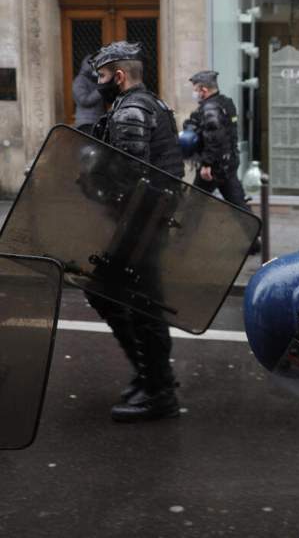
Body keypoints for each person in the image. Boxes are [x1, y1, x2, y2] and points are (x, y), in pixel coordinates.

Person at [88, 41, 182, 422]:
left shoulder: (131, 111)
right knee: (130, 299)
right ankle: (153, 377)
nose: (99, 82)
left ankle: (158, 390)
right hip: (150, 220)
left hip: (141, 223)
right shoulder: (152, 104)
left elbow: (130, 176)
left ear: (120, 76)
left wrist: (97, 187)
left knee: (135, 304)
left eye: (103, 75)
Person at [182, 71, 260, 254]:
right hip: (228, 162)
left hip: (214, 166)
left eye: (196, 89)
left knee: (194, 203)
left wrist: (207, 164)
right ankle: (254, 241)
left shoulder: (210, 108)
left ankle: (181, 242)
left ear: (204, 89)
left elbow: (214, 137)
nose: (194, 93)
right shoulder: (225, 102)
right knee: (237, 203)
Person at [72, 54, 105, 135]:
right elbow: (84, 101)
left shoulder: (96, 80)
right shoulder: (80, 80)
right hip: (86, 124)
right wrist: (100, 90)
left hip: (97, 122)